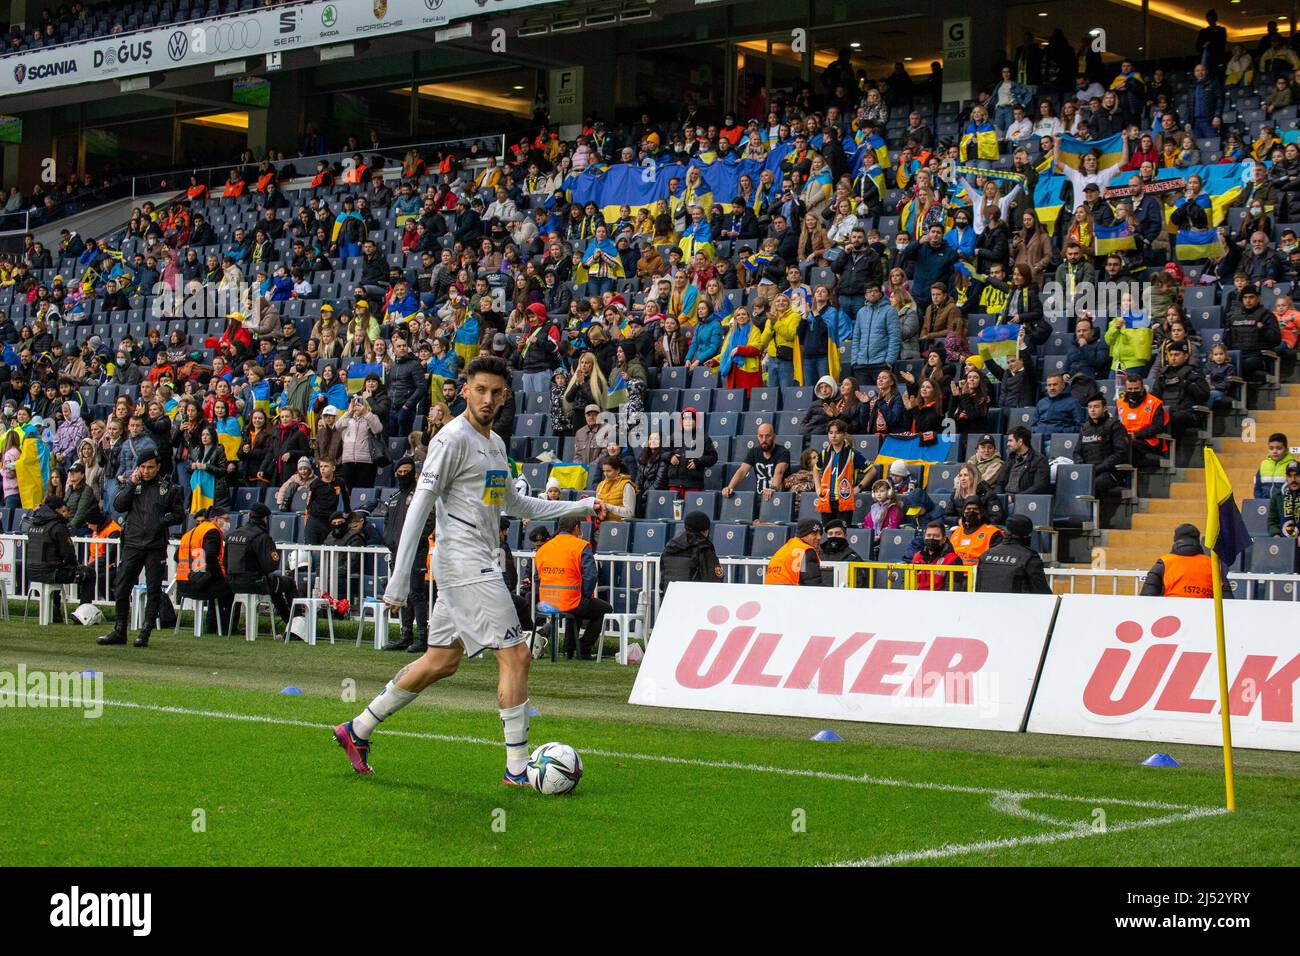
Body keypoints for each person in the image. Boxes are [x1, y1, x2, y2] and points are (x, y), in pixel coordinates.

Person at [333, 356, 608, 783]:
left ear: (505, 396)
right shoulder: (451, 439)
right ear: (465, 390)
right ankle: (517, 769)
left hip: (476, 563)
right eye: (480, 389)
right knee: (516, 655)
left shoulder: (496, 446)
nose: (488, 398)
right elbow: (422, 502)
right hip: (463, 563)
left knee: (441, 660)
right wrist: (400, 577)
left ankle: (358, 728)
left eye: (496, 392)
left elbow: (516, 507)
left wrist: (583, 504)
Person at [96, 450, 184, 648]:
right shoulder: (132, 485)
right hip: (133, 543)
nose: (146, 471)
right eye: (143, 467)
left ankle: (145, 631)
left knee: (153, 590)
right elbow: (118, 506)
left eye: (150, 467)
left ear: (158, 467)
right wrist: (131, 484)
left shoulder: (168, 488)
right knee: (122, 585)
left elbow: (179, 514)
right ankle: (120, 630)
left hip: (155, 545)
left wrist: (163, 521)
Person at [375, 456, 437, 653]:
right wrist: (390, 540)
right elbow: (387, 523)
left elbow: (429, 521)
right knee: (402, 595)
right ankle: (405, 635)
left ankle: (421, 637)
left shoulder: (420, 496)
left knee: (416, 594)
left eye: (407, 471)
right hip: (396, 552)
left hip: (416, 551)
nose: (403, 475)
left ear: (414, 472)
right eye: (400, 472)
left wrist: (413, 542)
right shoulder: (394, 498)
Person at [532, 513, 613, 660]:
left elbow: (537, 578)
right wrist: (586, 595)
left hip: (547, 602)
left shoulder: (543, 548)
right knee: (604, 609)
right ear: (576, 528)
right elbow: (590, 575)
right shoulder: (581, 545)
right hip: (570, 601)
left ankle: (569, 649)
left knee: (577, 608)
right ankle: (583, 649)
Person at [225, 502, 298, 634]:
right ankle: (296, 625)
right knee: (288, 583)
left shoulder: (232, 535)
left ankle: (290, 623)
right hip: (255, 583)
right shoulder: (261, 537)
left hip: (232, 584)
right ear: (265, 519)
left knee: (275, 585)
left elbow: (226, 562)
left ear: (249, 516)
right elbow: (271, 565)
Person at [174, 505, 234, 634]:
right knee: (228, 588)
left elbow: (176, 557)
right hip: (197, 584)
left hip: (182, 583)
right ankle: (225, 628)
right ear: (216, 519)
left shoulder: (190, 533)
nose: (228, 523)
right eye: (226, 519)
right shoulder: (212, 531)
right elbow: (210, 557)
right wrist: (220, 577)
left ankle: (213, 625)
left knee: (215, 584)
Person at [25, 496, 93, 607]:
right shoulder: (57, 526)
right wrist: (74, 566)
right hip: (52, 573)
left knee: (57, 566)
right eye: (64, 511)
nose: (66, 514)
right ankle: (83, 613)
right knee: (89, 573)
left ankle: (55, 612)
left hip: (32, 573)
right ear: (57, 510)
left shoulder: (33, 524)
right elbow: (68, 554)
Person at [1140, 523, 1230, 598]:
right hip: (1205, 615)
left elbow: (1147, 598)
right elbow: (1228, 600)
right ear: (1197, 541)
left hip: (1171, 615)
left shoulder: (1164, 563)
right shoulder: (1212, 564)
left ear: (1176, 540)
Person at [974, 514, 1051, 594]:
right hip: (1017, 605)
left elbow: (978, 589)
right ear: (1027, 535)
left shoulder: (985, 555)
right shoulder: (1029, 558)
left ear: (1006, 531)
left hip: (987, 605)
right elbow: (1042, 592)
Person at [815, 419, 871, 525]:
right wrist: (818, 487)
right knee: (828, 532)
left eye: (837, 432)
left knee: (842, 532)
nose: (833, 436)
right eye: (831, 433)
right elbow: (815, 469)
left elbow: (872, 471)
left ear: (844, 434)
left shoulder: (853, 453)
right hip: (826, 499)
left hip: (844, 499)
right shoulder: (824, 453)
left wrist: (858, 488)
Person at [1075, 393, 1131, 499]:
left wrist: (1099, 468)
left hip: (1110, 472)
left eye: (1096, 407)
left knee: (1093, 485)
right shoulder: (1084, 427)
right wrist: (1082, 467)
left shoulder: (1115, 426)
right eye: (1090, 407)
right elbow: (1077, 452)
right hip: (1088, 471)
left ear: (1104, 408)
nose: (1092, 410)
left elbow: (1120, 453)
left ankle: (1095, 515)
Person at [1116, 371, 1169, 470]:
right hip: (1126, 439)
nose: (1133, 391)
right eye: (1130, 389)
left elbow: (1157, 427)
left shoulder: (1154, 403)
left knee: (1126, 445)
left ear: (1142, 387)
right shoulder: (1120, 403)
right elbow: (1115, 425)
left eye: (1136, 388)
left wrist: (1136, 435)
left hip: (1148, 441)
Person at [722, 423, 790, 499]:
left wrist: (772, 489)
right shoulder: (754, 452)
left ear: (774, 436)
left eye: (768, 436)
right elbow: (742, 471)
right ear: (757, 437)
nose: (764, 440)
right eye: (761, 436)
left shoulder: (783, 452)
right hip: (759, 497)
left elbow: (779, 472)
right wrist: (730, 487)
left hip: (777, 497)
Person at [763, 519, 827, 586]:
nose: (819, 537)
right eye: (814, 534)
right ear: (803, 534)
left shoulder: (785, 548)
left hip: (770, 593)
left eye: (820, 534)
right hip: (790, 594)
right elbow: (813, 583)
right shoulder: (806, 551)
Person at [994, 426, 1051, 496]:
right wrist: (999, 497)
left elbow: (1040, 487)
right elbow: (1000, 483)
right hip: (1005, 499)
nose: (1007, 444)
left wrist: (1014, 498)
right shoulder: (1011, 458)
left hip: (1023, 501)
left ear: (1020, 442)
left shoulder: (1039, 460)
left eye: (1010, 441)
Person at [910, 520, 964, 590]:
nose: (931, 538)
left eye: (936, 536)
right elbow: (910, 583)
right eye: (928, 535)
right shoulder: (917, 556)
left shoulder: (954, 560)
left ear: (944, 539)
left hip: (941, 599)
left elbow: (953, 590)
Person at [948, 498, 1003, 565]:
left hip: (978, 573)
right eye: (968, 509)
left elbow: (996, 559)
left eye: (975, 509)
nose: (971, 512)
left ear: (981, 513)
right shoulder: (956, 532)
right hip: (954, 573)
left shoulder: (993, 533)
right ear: (964, 513)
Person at [1254, 432, 1296, 498]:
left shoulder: (1293, 465)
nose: (1274, 451)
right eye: (1271, 448)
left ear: (1286, 450)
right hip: (1265, 505)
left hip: (1284, 505)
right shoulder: (1263, 464)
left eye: (1279, 448)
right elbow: (1257, 489)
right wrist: (1261, 501)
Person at [1267, 459, 1300, 538]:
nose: (1293, 480)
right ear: (1286, 477)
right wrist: (1275, 534)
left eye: (1297, 475)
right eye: (1290, 476)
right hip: (1283, 540)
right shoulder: (1277, 496)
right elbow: (1272, 521)